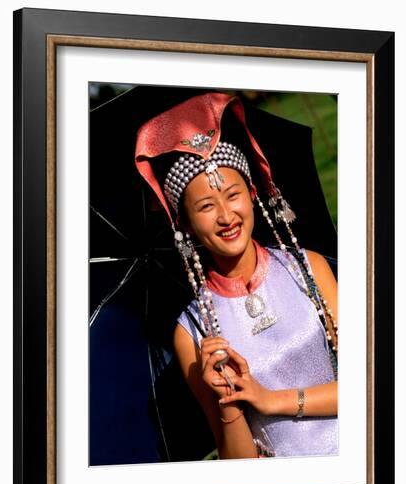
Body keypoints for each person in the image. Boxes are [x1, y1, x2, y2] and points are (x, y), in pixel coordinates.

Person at [135, 91, 338, 460]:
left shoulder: (309, 269)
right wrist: (226, 404)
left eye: (233, 195)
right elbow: (238, 465)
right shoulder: (192, 333)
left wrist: (269, 400)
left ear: (252, 192)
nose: (226, 217)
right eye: (206, 206)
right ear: (185, 224)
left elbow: (372, 389)